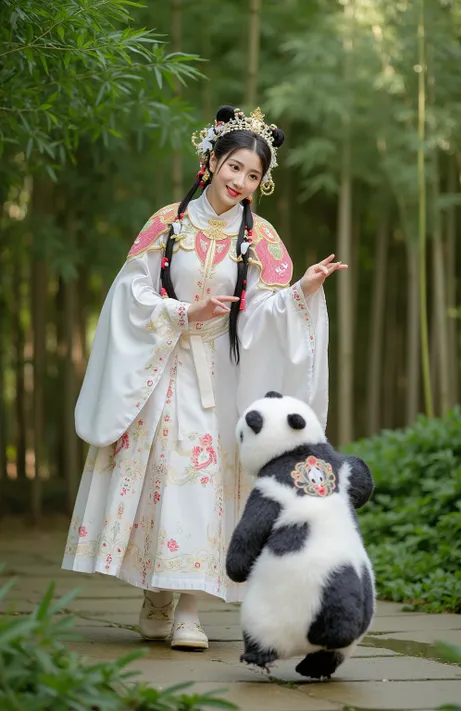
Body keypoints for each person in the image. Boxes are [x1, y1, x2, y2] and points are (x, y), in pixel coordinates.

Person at [62, 105, 347, 651]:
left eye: (253, 175)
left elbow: (262, 315)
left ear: (262, 183)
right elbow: (129, 293)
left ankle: (189, 608)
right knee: (160, 478)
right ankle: (158, 596)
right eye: (234, 166)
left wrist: (301, 292)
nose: (240, 181)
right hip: (163, 367)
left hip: (223, 374)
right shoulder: (167, 223)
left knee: (203, 483)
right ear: (211, 159)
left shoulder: (262, 238)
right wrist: (179, 314)